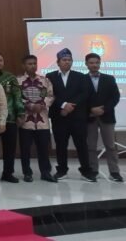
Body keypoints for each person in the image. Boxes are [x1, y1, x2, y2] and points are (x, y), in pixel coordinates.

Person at [46, 48, 96, 182]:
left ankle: (86, 171)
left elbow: (84, 94)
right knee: (60, 145)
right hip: (59, 117)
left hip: (78, 117)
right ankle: (62, 170)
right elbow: (49, 94)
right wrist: (63, 105)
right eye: (64, 60)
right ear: (58, 62)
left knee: (81, 144)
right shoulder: (50, 76)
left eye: (69, 60)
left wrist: (70, 106)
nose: (67, 62)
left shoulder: (80, 76)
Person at [17, 55, 57, 183]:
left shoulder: (45, 80)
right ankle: (27, 173)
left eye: (34, 63)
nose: (33, 66)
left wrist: (42, 104)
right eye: (29, 64)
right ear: (24, 65)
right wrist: (29, 105)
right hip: (25, 121)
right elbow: (17, 97)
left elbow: (50, 95)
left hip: (42, 121)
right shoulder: (18, 81)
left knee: (44, 149)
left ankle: (45, 172)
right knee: (25, 149)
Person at [85, 53, 122, 182]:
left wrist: (104, 109)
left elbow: (115, 97)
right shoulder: (81, 79)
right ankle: (93, 170)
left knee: (110, 146)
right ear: (86, 64)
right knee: (91, 146)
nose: (94, 65)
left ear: (100, 63)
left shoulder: (109, 79)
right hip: (89, 117)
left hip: (107, 116)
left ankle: (114, 172)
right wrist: (91, 109)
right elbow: (80, 98)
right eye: (91, 63)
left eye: (97, 62)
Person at [0, 52, 24, 183]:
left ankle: (8, 173)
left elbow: (17, 95)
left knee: (10, 148)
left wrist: (20, 113)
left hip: (10, 118)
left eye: (0, 60)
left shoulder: (10, 77)